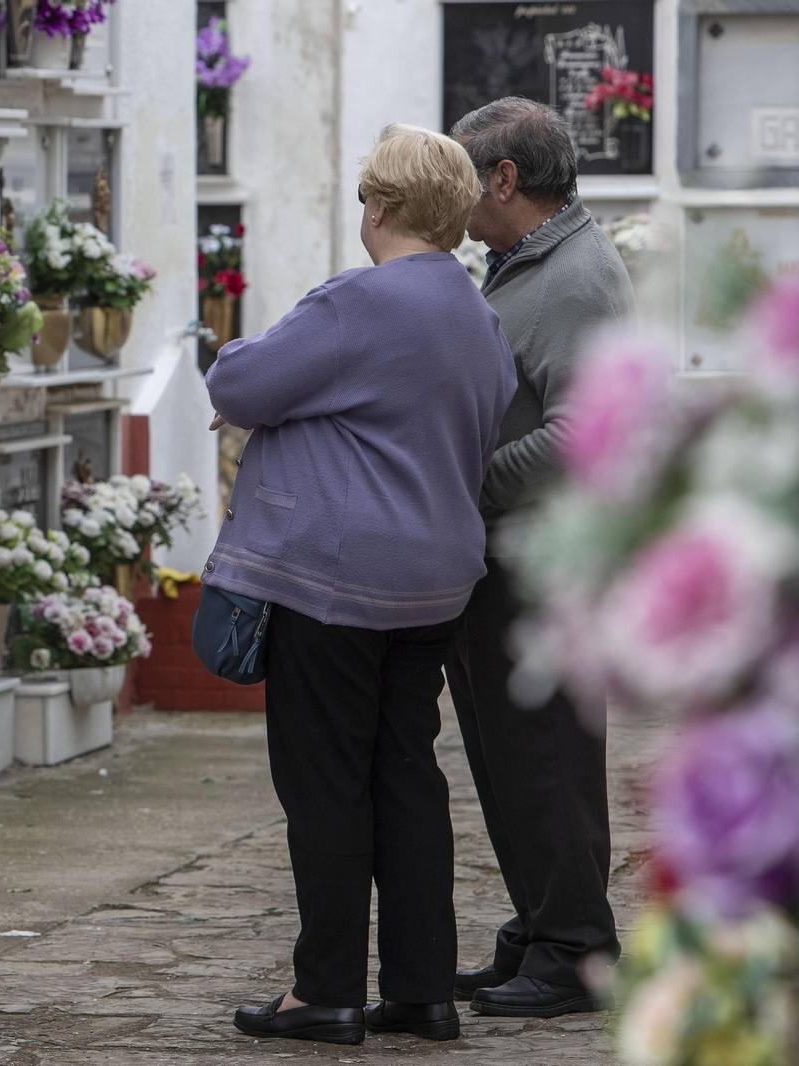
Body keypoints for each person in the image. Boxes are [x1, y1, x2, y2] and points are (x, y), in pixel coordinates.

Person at [205, 125, 517, 1046]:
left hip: (335, 580)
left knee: (327, 784)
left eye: (364, 198)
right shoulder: (477, 312)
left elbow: (242, 384)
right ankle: (423, 991)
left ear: (379, 204)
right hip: (435, 580)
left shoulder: (357, 301)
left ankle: (326, 990)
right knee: (406, 775)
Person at [444, 97, 632, 1018]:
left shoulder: (574, 279)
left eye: (462, 176)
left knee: (546, 758)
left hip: (542, 562)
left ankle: (575, 950)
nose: (453, 196)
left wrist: (465, 485)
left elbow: (580, 437)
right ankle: (542, 928)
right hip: (509, 557)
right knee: (513, 759)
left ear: (506, 180)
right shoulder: (529, 265)